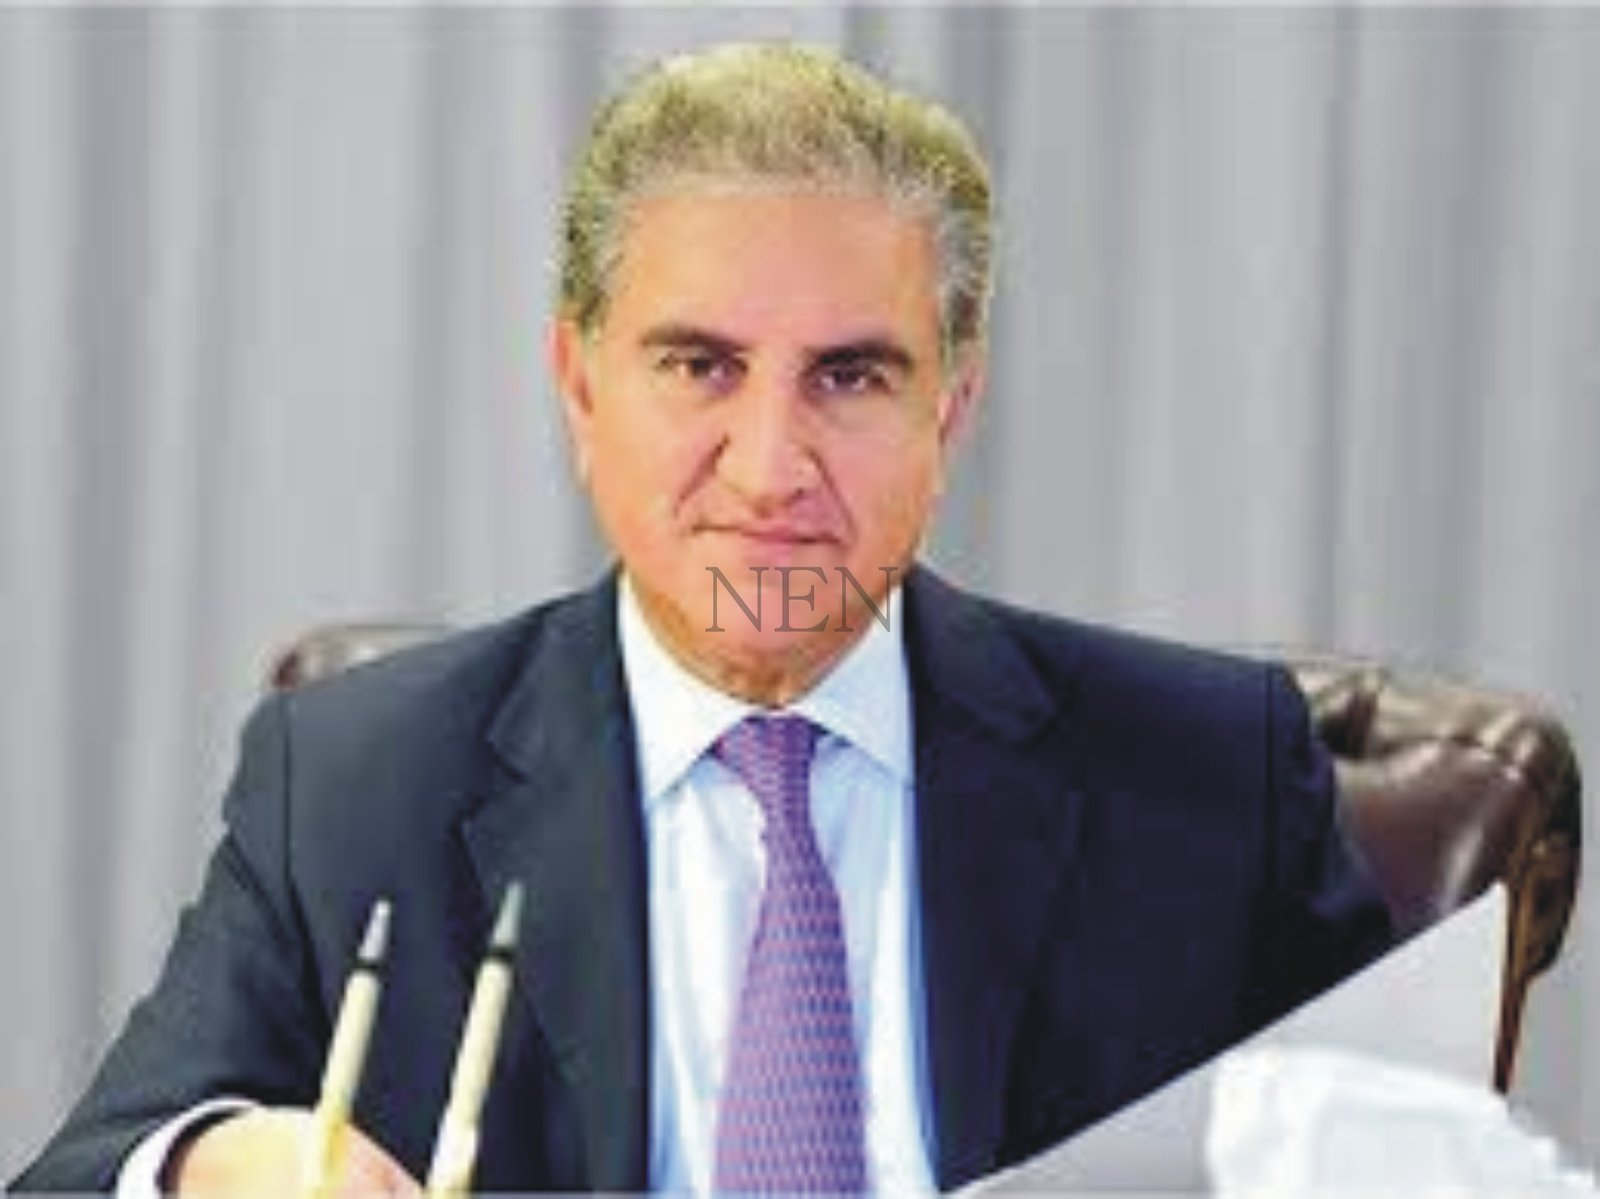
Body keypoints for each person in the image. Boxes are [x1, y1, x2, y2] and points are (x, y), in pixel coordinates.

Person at [11, 41, 1392, 1197]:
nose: (771, 466)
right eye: (701, 366)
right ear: (580, 386)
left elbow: (1418, 1164)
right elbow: (89, 1174)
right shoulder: (355, 786)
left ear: (952, 410)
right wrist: (209, 1166)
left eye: (850, 376)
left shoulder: (1212, 780)